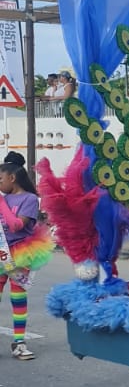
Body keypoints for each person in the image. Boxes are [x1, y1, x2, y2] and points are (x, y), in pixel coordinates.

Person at [0, 154, 42, 360]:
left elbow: (17, 225)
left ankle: (19, 343)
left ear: (12, 178)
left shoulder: (30, 199)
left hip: (20, 254)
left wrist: (0, 203)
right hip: (0, 251)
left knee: (18, 299)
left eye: (0, 179)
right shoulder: (4, 198)